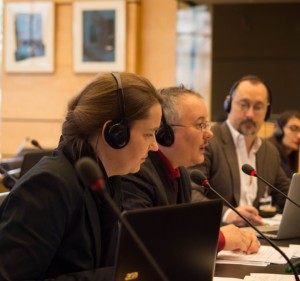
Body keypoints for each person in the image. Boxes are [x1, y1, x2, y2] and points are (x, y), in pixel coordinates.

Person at [0, 72, 162, 281]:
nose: (155, 146)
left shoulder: (108, 181)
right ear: (115, 133)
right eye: (148, 133)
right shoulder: (49, 185)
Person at [122, 85, 260, 254]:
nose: (209, 133)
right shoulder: (136, 172)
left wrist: (236, 236)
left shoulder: (182, 175)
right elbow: (144, 244)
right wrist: (219, 239)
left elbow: (182, 233)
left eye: (207, 124)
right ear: (164, 133)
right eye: (200, 125)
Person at [190, 75, 290, 227]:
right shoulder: (208, 142)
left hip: (258, 236)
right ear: (228, 104)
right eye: (243, 105)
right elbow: (190, 193)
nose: (250, 114)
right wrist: (227, 214)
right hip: (218, 234)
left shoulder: (269, 151)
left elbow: (286, 194)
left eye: (258, 107)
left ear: (267, 111)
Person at [268, 110, 300, 178]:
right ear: (278, 130)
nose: (299, 136)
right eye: (294, 128)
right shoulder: (267, 152)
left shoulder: (290, 157)